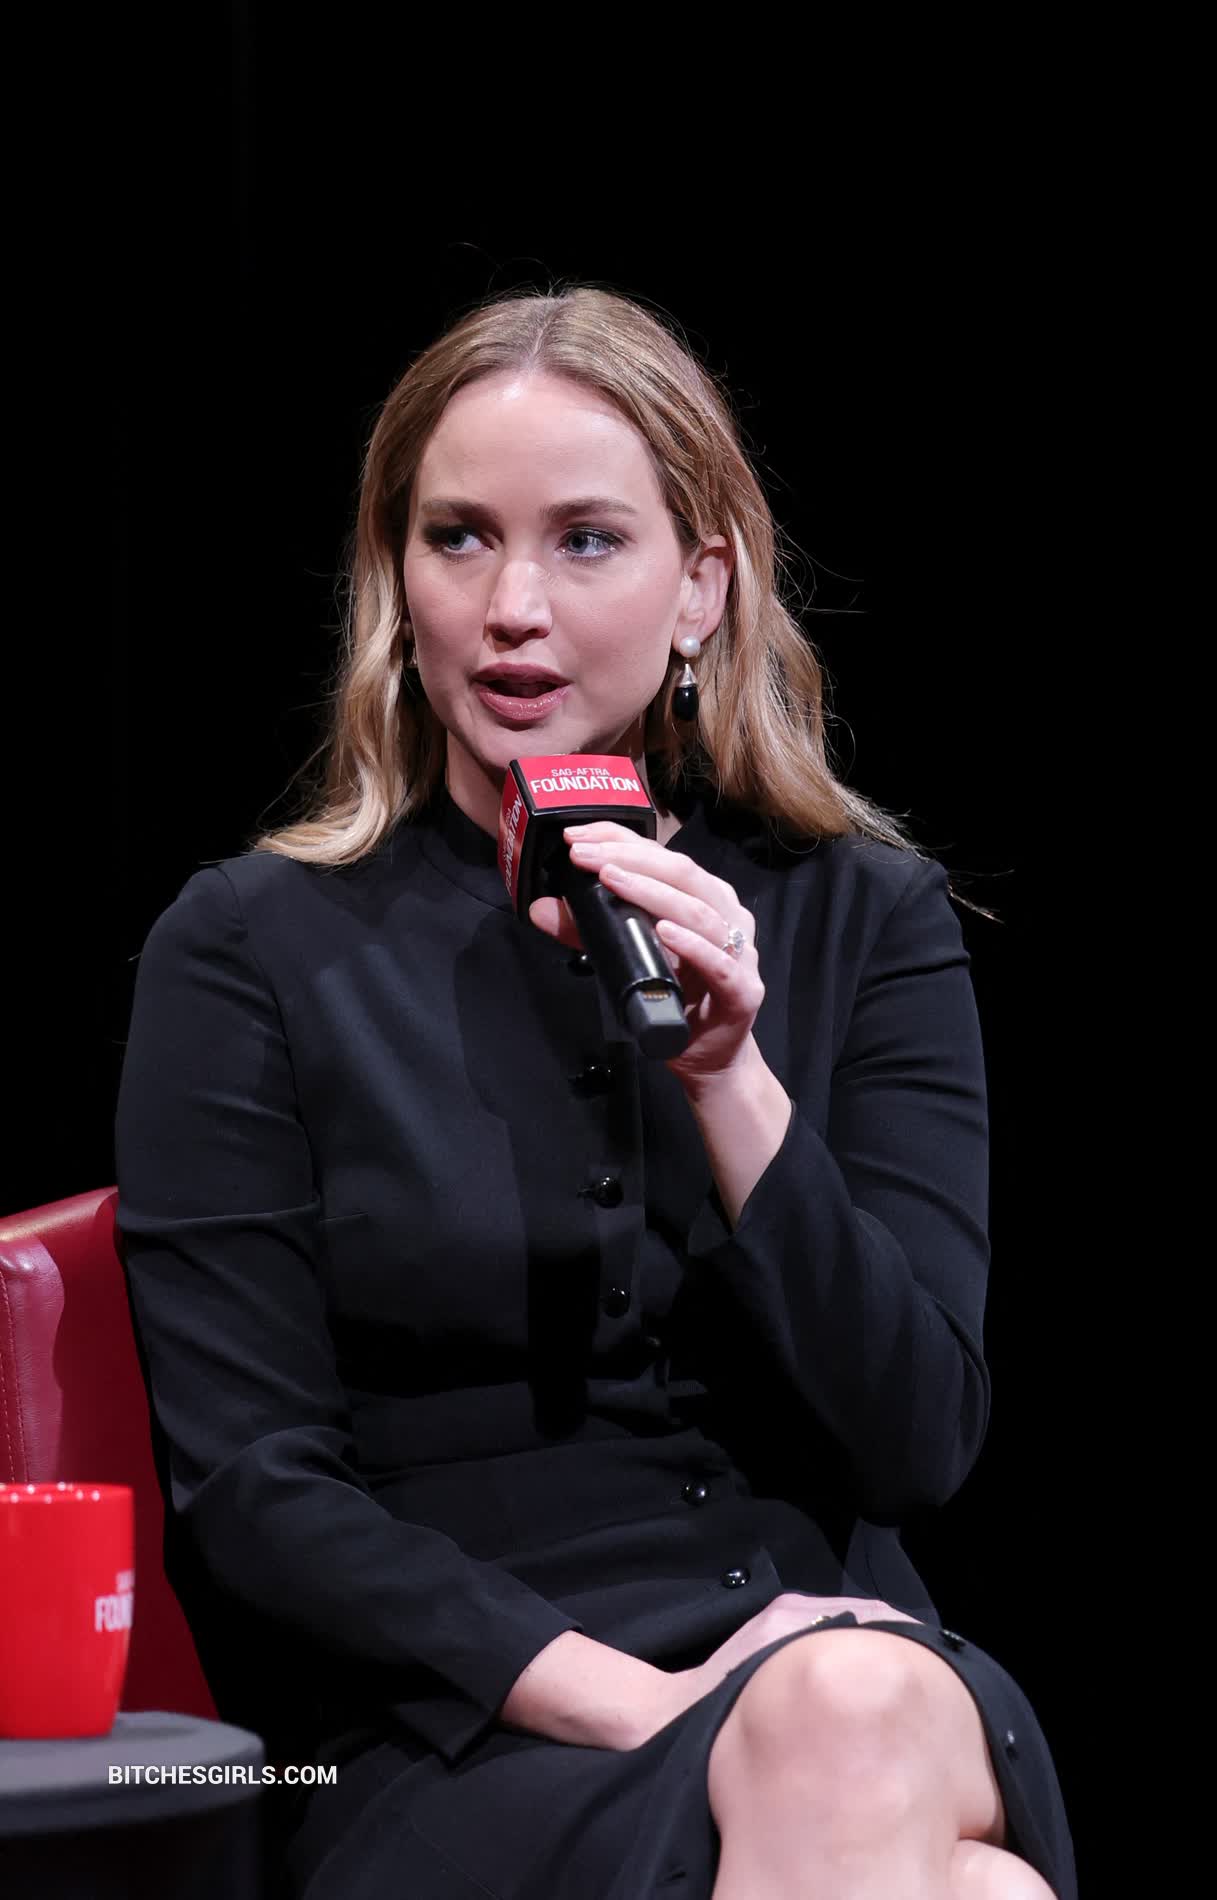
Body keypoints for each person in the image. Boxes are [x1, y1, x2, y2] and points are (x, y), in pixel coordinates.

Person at [114, 285, 1077, 1899]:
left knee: (848, 1711)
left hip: (830, 1659)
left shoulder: (867, 916)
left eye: (584, 542)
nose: (512, 608)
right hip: (456, 1726)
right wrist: (646, 1703)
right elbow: (255, 1491)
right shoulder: (250, 946)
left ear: (701, 587)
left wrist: (730, 1079)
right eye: (459, 538)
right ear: (395, 575)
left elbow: (915, 1441)